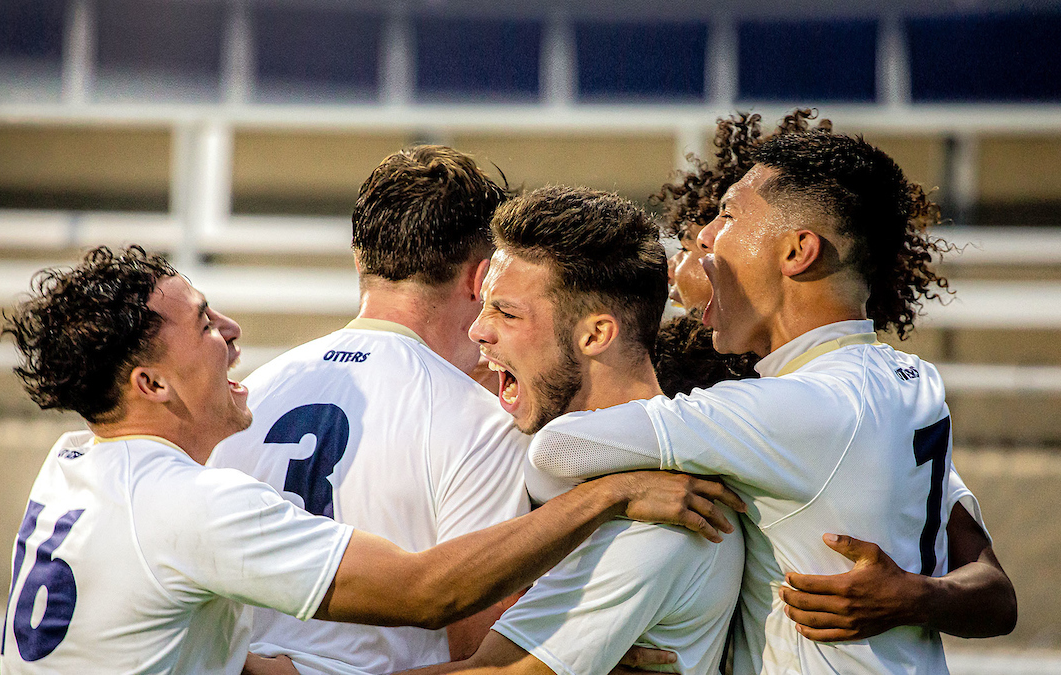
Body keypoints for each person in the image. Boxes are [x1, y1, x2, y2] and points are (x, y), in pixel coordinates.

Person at [0, 246, 744, 675]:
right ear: (151, 383)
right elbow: (428, 592)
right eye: (203, 324)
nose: (231, 328)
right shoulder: (188, 505)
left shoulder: (71, 466)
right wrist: (606, 495)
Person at [527, 131, 1016, 674]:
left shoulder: (795, 407)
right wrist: (918, 598)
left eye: (727, 216)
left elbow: (557, 450)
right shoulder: (912, 381)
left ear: (796, 251)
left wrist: (625, 490)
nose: (708, 238)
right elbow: (996, 593)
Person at [652, 110, 1015, 652]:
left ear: (794, 255)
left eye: (707, 246)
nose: (694, 264)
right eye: (691, 247)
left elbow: (995, 594)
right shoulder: (877, 385)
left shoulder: (811, 401)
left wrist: (913, 595)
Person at [209, 145, 531, 674]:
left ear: (360, 259)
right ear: (482, 278)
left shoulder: (245, 397)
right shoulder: (483, 423)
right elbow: (479, 657)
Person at [402, 186, 745, 675]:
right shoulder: (592, 471)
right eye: (484, 306)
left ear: (595, 335)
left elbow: (497, 672)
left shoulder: (662, 510)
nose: (479, 330)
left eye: (507, 312)